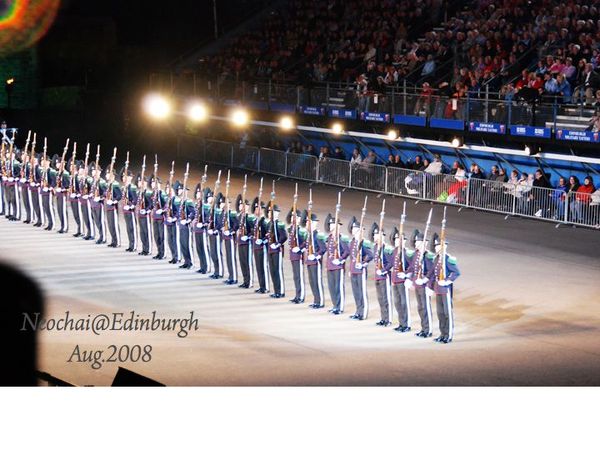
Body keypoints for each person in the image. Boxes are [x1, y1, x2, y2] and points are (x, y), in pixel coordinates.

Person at [426, 233, 461, 344]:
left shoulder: (448, 259)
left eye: (440, 246)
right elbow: (432, 274)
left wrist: (446, 281)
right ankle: (442, 334)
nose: (437, 248)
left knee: (447, 313)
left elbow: (456, 273)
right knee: (440, 313)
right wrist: (430, 287)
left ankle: (448, 335)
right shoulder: (436, 258)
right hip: (438, 289)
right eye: (436, 246)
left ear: (445, 246)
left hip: (445, 290)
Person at [408, 229, 433, 338]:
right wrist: (410, 279)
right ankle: (423, 328)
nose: (416, 244)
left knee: (425, 307)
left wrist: (426, 281)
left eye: (418, 242)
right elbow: (413, 268)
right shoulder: (417, 254)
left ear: (424, 243)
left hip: (424, 285)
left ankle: (428, 330)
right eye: (416, 242)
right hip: (417, 285)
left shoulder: (428, 256)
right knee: (420, 308)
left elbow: (432, 272)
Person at [347, 215, 373, 321]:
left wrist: (363, 263)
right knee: (356, 292)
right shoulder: (352, 242)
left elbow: (370, 255)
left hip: (360, 270)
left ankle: (363, 313)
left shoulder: (364, 242)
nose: (353, 231)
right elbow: (351, 257)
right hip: (353, 270)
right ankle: (358, 311)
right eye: (353, 229)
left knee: (362, 292)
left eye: (355, 229)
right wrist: (350, 269)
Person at [388, 226, 412, 333]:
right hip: (395, 280)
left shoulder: (406, 252)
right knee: (397, 303)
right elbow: (392, 265)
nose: (397, 241)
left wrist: (406, 275)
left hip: (402, 281)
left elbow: (412, 266)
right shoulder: (394, 251)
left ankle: (407, 324)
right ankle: (401, 323)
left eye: (399, 239)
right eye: (396, 239)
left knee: (404, 303)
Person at [324, 213, 348, 314]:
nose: (331, 226)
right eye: (330, 224)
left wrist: (340, 259)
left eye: (333, 224)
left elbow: (346, 251)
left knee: (338, 287)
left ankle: (340, 307)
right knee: (331, 287)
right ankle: (335, 305)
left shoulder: (340, 238)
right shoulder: (329, 238)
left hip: (338, 266)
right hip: (330, 265)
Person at [371, 222, 393, 327]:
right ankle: (383, 318)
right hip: (377, 276)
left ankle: (388, 319)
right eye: (374, 235)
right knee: (380, 298)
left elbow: (391, 263)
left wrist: (384, 270)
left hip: (385, 276)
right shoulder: (375, 247)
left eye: (377, 235)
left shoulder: (386, 248)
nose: (375, 237)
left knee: (386, 298)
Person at [303, 210, 326, 309]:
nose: (307, 224)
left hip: (316, 262)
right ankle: (315, 300)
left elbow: (323, 249)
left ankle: (320, 301)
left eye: (309, 222)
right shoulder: (309, 235)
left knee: (317, 281)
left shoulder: (317, 235)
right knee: (312, 281)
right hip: (309, 261)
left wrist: (316, 255)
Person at [265, 204, 287, 298]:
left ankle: (281, 291)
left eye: (272, 212)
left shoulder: (279, 224)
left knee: (278, 271)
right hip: (270, 249)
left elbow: (284, 236)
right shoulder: (270, 223)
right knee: (273, 271)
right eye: (269, 212)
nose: (270, 214)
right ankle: (276, 290)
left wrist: (277, 243)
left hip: (277, 250)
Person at [287, 207, 306, 304]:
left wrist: (300, 248)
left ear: (298, 219)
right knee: (295, 277)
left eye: (294, 217)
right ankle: (297, 295)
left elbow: (305, 243)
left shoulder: (300, 230)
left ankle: (301, 296)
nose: (292, 219)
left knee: (299, 276)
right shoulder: (291, 229)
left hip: (298, 256)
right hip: (292, 256)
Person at [251, 196, 269, 293]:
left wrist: (263, 240)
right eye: (255, 208)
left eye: (258, 208)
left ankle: (265, 287)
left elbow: (268, 235)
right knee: (258, 267)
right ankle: (261, 286)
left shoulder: (264, 221)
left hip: (263, 247)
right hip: (256, 247)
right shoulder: (255, 221)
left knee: (263, 267)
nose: (256, 210)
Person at [220, 192, 239, 282]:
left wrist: (231, 231)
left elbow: (236, 225)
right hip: (226, 238)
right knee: (228, 257)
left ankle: (234, 278)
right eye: (224, 203)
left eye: (227, 203)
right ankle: (231, 276)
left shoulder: (232, 213)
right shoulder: (223, 213)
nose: (225, 205)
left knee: (231, 257)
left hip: (231, 238)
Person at [193, 186, 212, 274]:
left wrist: (204, 224)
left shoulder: (207, 206)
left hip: (203, 230)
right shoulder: (198, 204)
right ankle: (202, 266)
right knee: (199, 249)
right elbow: (195, 215)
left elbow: (209, 219)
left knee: (204, 248)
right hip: (197, 229)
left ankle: (207, 267)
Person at [236, 194, 253, 288]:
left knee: (247, 262)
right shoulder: (239, 217)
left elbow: (253, 231)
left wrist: (248, 236)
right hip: (240, 242)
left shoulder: (249, 218)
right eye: (240, 205)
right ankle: (245, 280)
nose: (241, 207)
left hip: (247, 242)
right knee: (242, 262)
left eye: (243, 205)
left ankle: (249, 281)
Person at [178, 183, 196, 270]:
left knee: (188, 244)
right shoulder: (180, 201)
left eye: (183, 190)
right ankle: (186, 261)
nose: (181, 192)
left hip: (186, 226)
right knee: (182, 244)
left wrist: (188, 220)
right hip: (181, 225)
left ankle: (191, 262)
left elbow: (193, 212)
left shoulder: (188, 201)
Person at [150, 176, 167, 260]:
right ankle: (159, 252)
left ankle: (163, 253)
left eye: (155, 183)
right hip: (155, 217)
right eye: (152, 183)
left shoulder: (162, 193)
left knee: (162, 236)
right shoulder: (153, 193)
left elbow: (167, 204)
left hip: (161, 218)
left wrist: (162, 210)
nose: (153, 184)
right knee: (156, 236)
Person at [89, 163, 107, 244]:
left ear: (99, 172)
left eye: (95, 171)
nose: (93, 172)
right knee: (96, 221)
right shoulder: (93, 181)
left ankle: (103, 238)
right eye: (92, 171)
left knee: (101, 222)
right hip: (93, 204)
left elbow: (106, 193)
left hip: (99, 204)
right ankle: (100, 236)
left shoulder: (102, 181)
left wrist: (100, 197)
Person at [121, 167, 138, 252]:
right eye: (123, 176)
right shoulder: (124, 187)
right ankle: (130, 245)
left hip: (130, 210)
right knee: (128, 228)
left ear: (130, 178)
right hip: (125, 210)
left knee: (132, 228)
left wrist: (131, 206)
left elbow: (135, 199)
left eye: (126, 176)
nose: (124, 178)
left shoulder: (132, 187)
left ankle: (134, 245)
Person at [208, 192, 225, 279]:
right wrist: (210, 229)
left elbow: (221, 224)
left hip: (218, 234)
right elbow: (211, 221)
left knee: (218, 253)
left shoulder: (224, 212)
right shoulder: (214, 211)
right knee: (213, 253)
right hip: (212, 234)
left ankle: (220, 272)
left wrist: (215, 230)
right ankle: (216, 271)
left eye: (223, 203)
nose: (222, 205)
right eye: (220, 203)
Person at [104, 168, 122, 247]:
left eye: (108, 174)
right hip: (108, 207)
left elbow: (119, 195)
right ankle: (113, 240)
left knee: (114, 224)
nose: (106, 175)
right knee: (110, 225)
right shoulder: (108, 184)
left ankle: (117, 241)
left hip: (113, 207)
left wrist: (114, 201)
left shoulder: (115, 184)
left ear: (112, 176)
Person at [136, 175, 154, 256]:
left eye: (142, 182)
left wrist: (146, 210)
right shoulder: (139, 192)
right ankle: (144, 248)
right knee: (142, 232)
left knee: (147, 231)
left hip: (146, 215)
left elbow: (151, 204)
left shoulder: (148, 192)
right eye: (139, 182)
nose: (141, 183)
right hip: (140, 215)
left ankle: (149, 249)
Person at [165, 180, 181, 263]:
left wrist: (174, 218)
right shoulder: (169, 199)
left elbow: (179, 212)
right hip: (168, 222)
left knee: (175, 240)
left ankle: (177, 257)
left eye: (169, 189)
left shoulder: (176, 200)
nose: (167, 190)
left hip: (174, 223)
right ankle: (173, 256)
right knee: (170, 240)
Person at [54, 155, 70, 234]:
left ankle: (65, 227)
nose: (57, 165)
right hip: (58, 195)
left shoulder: (65, 174)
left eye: (59, 163)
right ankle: (62, 226)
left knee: (63, 211)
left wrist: (62, 189)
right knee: (59, 211)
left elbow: (68, 187)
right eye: (57, 164)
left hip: (63, 195)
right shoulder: (58, 173)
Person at [41, 155, 57, 231]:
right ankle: (49, 223)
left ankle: (53, 224)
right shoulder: (42, 171)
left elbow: (55, 181)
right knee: (46, 207)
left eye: (45, 161)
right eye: (42, 161)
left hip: (49, 191)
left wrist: (50, 187)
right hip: (44, 191)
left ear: (48, 162)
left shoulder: (51, 171)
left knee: (50, 207)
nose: (43, 162)